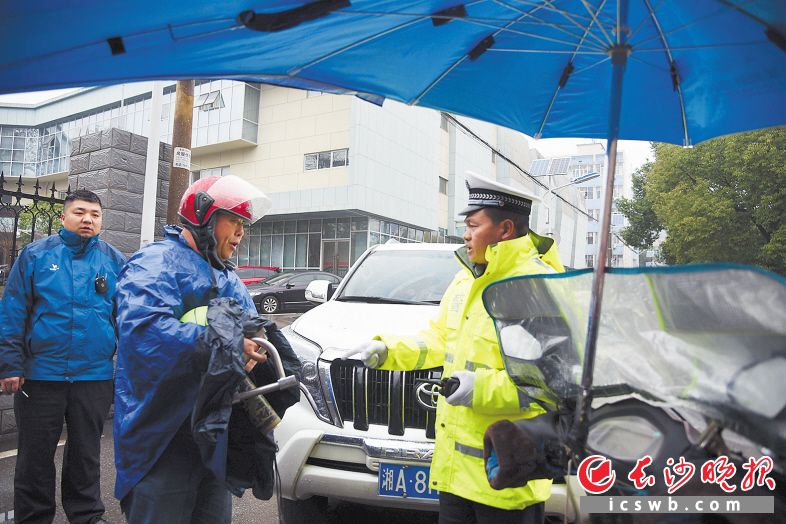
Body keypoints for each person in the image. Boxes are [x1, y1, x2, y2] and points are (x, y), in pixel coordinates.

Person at [354, 172, 564, 524]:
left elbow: (546, 386)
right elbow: (439, 341)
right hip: (455, 476)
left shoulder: (537, 289)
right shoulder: (466, 279)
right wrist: (386, 351)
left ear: (506, 229)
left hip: (505, 478)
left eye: (473, 225)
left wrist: (478, 388)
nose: (465, 235)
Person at [113, 175, 278, 524]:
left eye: (244, 224)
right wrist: (226, 344)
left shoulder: (228, 276)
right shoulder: (155, 264)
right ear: (203, 217)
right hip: (161, 434)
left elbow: (251, 328)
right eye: (233, 220)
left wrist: (258, 346)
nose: (240, 233)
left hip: (214, 432)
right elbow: (147, 333)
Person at [0, 189, 126, 524]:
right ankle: (33, 517)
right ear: (64, 217)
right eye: (80, 212)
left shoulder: (113, 260)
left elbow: (128, 318)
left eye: (95, 215)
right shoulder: (36, 256)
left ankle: (86, 515)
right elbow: (13, 312)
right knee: (35, 457)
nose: (88, 219)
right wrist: (10, 364)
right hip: (41, 376)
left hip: (94, 376)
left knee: (86, 454)